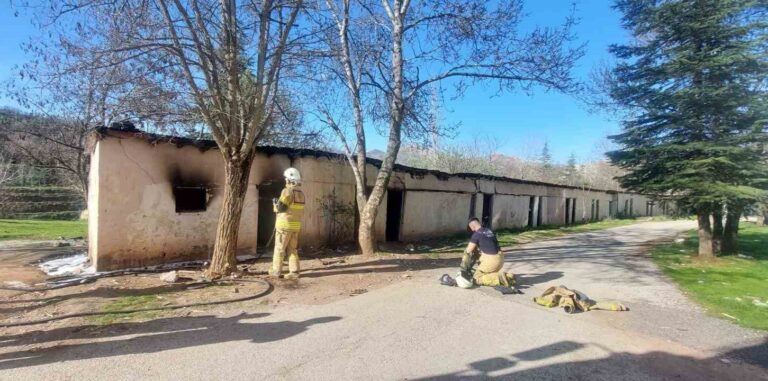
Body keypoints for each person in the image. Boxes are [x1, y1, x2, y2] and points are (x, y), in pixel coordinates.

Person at [269, 167, 305, 279]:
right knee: (292, 249)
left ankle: (276, 271)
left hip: (284, 226)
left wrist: (275, 204)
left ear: (290, 179)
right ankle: (294, 272)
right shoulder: (301, 194)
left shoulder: (287, 191)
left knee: (279, 248)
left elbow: (281, 208)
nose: (285, 181)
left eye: (286, 178)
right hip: (295, 226)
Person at [457, 217, 514, 288]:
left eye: (470, 228)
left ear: (472, 226)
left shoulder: (476, 234)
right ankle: (505, 276)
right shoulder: (489, 231)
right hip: (500, 259)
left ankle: (501, 278)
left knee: (476, 278)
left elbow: (468, 251)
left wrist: (463, 268)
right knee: (478, 252)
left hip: (492, 261)